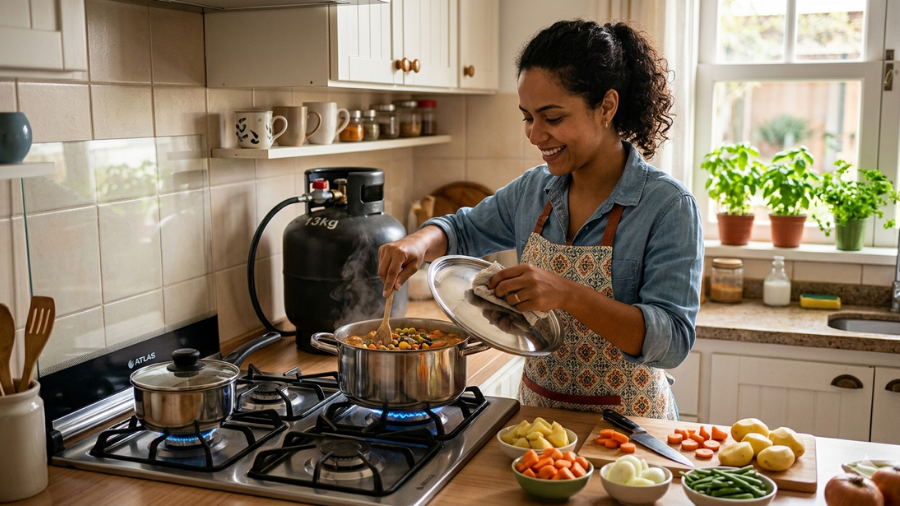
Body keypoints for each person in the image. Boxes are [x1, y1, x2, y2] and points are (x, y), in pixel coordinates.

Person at [378, 19, 703, 420]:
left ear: (606, 106)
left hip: (629, 429)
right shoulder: (535, 190)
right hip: (537, 420)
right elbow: (463, 229)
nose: (534, 135)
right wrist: (418, 243)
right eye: (527, 117)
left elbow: (672, 342)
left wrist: (568, 294)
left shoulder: (668, 206)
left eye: (552, 118)